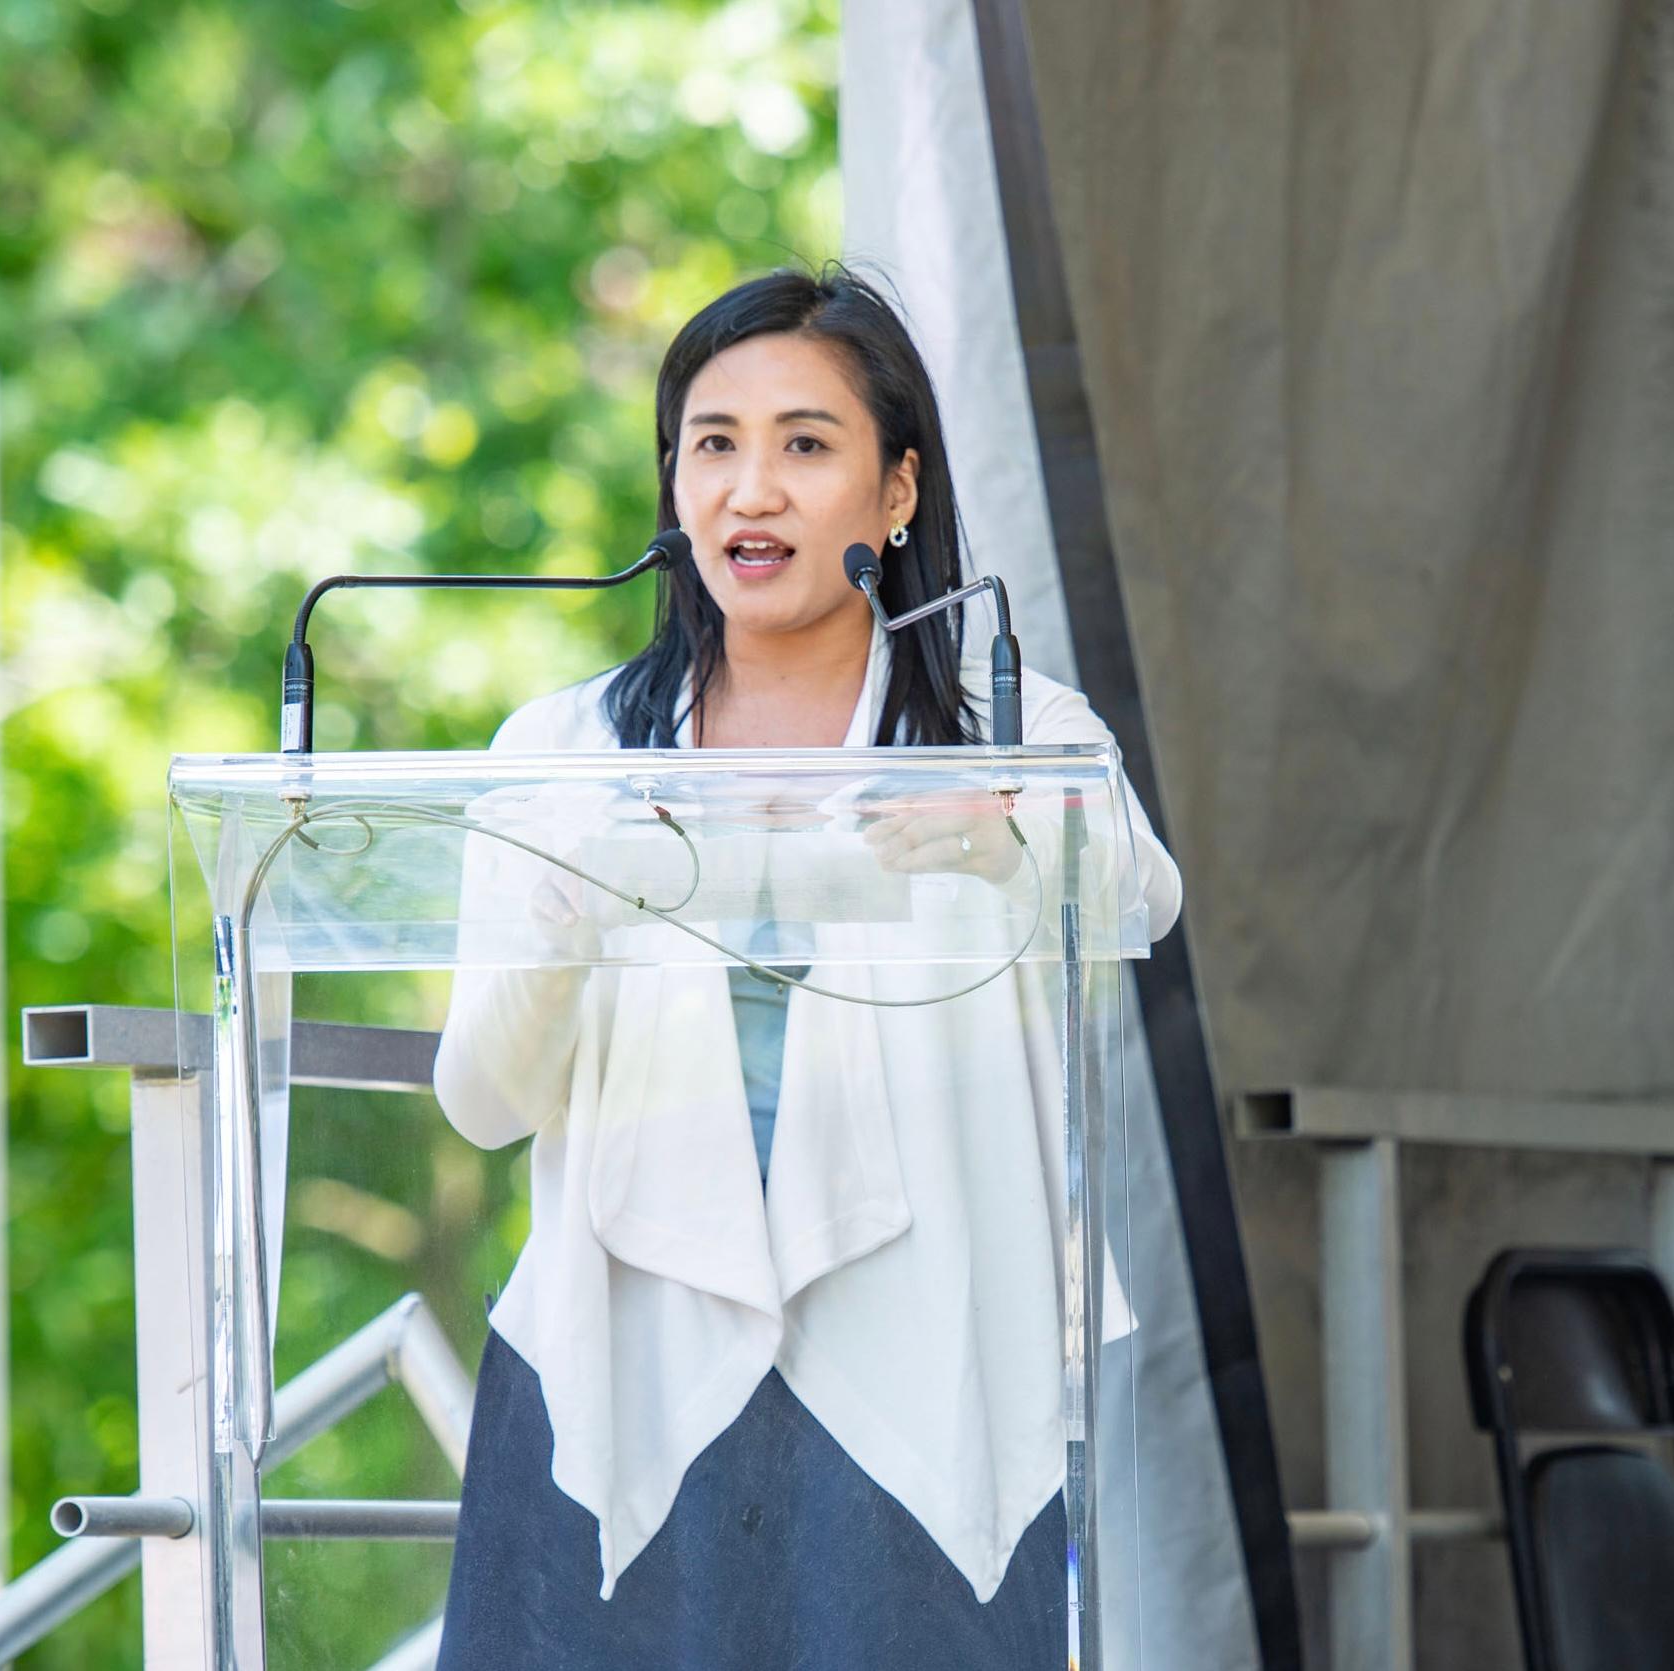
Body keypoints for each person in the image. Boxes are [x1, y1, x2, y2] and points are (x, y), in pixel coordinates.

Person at [430, 265, 1181, 1670]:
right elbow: (480, 1101)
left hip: (922, 1381)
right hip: (624, 1380)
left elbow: (1140, 894)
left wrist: (1001, 839)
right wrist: (570, 913)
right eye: (712, 444)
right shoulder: (564, 752)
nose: (749, 490)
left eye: (805, 444)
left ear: (898, 494)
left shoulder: (1011, 728)